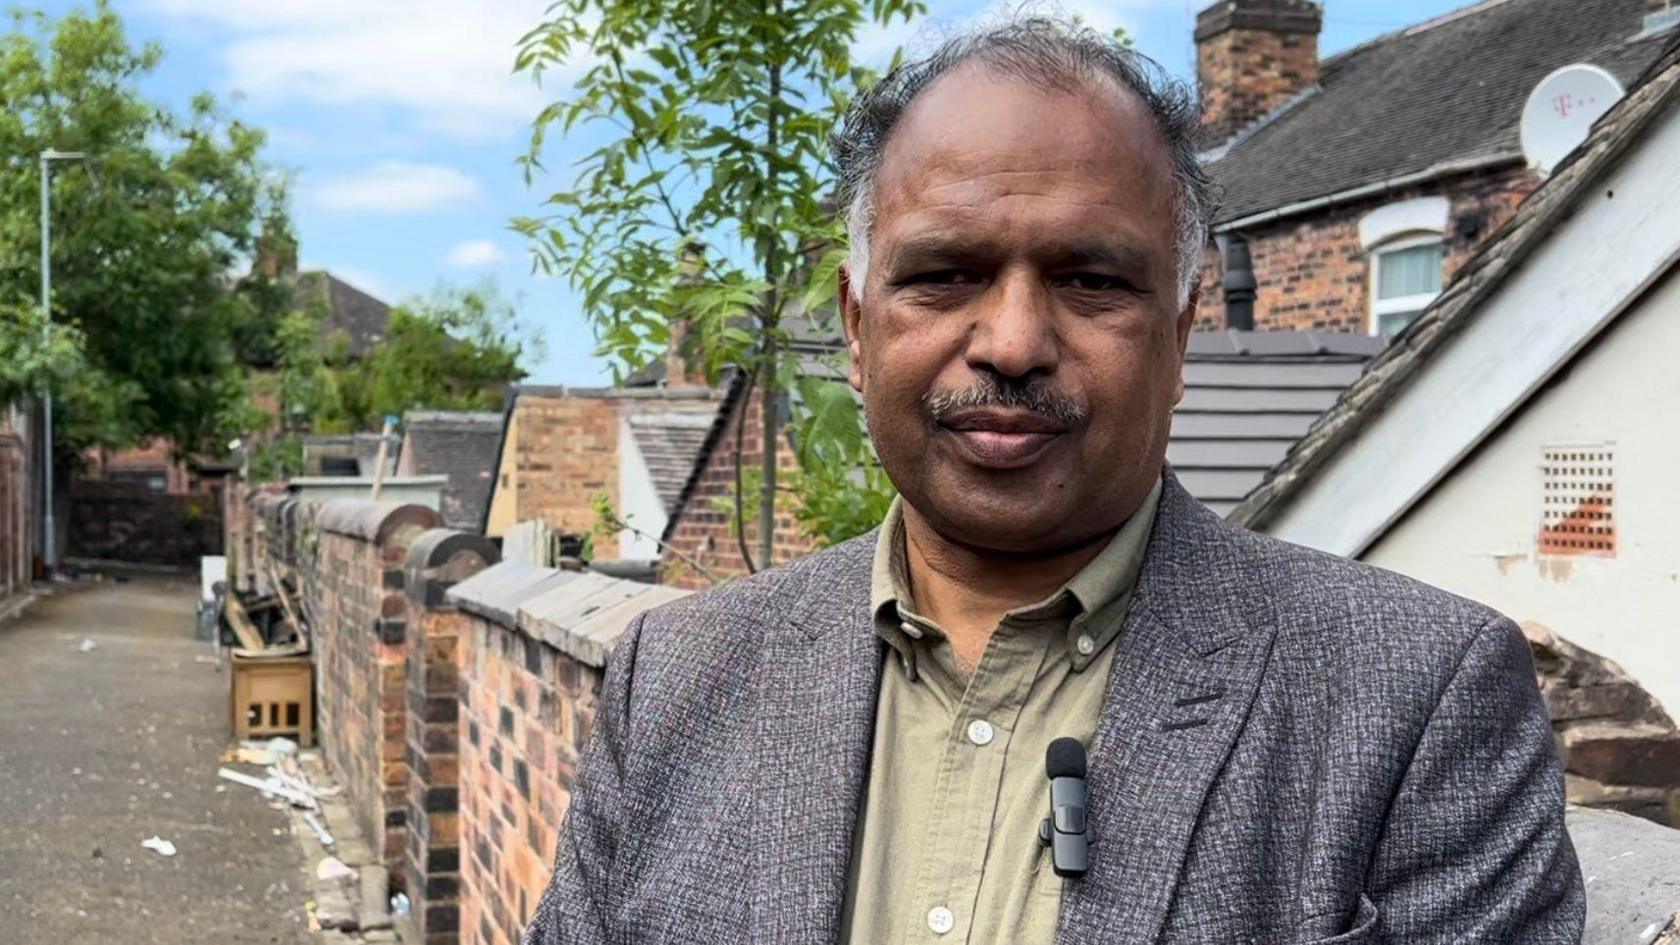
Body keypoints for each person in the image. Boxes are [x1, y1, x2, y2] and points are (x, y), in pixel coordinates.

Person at [524, 17, 1584, 945]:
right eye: (945, 274)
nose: (1016, 342)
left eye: (1090, 279)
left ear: (1178, 335)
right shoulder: (680, 680)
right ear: (855, 328)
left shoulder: (1415, 701)